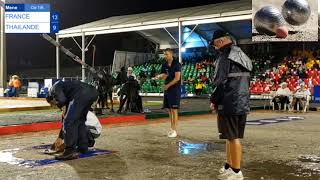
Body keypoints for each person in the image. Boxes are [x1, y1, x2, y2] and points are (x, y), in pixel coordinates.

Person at [209, 30, 252, 179]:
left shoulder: (224, 56)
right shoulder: (243, 55)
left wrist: (214, 100)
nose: (214, 48)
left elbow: (220, 83)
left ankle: (236, 171)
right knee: (230, 136)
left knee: (233, 138)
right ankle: (229, 165)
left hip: (228, 102)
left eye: (215, 44)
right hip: (242, 102)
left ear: (220, 41)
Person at [46, 80, 98, 160]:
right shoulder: (67, 92)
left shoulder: (54, 89)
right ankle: (82, 147)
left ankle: (69, 151)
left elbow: (62, 102)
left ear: (52, 98)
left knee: (69, 121)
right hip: (92, 92)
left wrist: (60, 138)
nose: (55, 105)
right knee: (80, 121)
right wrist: (60, 137)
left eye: (53, 104)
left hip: (81, 94)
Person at [154, 48, 181, 138]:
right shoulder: (164, 64)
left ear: (171, 54)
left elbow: (177, 78)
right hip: (167, 89)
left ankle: (175, 130)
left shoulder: (177, 64)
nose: (165, 56)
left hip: (175, 89)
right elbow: (164, 75)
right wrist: (159, 76)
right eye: (164, 54)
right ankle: (171, 128)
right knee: (169, 109)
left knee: (174, 110)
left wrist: (167, 85)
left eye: (166, 54)